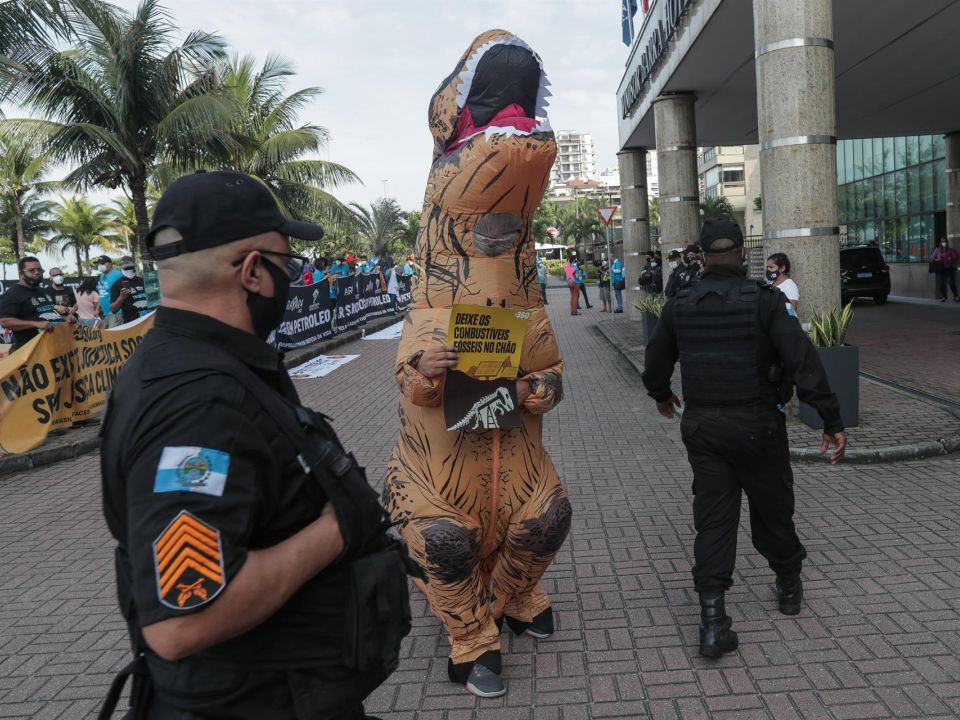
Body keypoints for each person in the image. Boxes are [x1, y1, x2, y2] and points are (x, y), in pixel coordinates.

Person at [99, 171, 410, 719]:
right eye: (286, 265)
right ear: (252, 271)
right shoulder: (199, 406)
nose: (292, 278)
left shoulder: (197, 364)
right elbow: (181, 622)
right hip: (250, 702)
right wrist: (342, 524)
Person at [641, 218, 848, 660]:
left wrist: (660, 394)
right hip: (758, 428)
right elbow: (802, 361)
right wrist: (831, 419)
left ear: (702, 255)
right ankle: (788, 587)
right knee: (773, 511)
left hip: (704, 429)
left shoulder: (681, 303)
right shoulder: (766, 301)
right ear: (739, 253)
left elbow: (656, 358)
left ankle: (713, 622)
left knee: (714, 521)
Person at [0, 256, 75, 352]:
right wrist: (35, 324)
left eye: (39, 269)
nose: (37, 272)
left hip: (53, 348)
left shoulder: (41, 291)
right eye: (31, 270)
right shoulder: (12, 294)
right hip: (30, 352)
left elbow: (47, 313)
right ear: (21, 274)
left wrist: (64, 319)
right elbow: (5, 321)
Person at [109, 256, 148, 324]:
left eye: (131, 267)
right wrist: (121, 298)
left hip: (149, 320)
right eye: (126, 268)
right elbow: (113, 310)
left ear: (135, 267)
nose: (129, 270)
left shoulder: (143, 281)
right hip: (132, 324)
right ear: (121, 268)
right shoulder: (116, 285)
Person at [96, 255, 123, 328]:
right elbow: (102, 293)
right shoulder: (102, 276)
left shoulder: (118, 275)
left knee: (114, 337)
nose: (99, 265)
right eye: (98, 263)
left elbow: (123, 293)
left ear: (110, 264)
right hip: (105, 313)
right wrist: (98, 309)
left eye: (102, 263)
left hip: (116, 313)